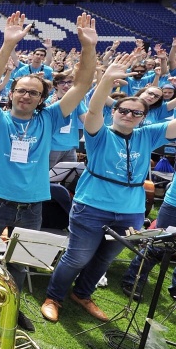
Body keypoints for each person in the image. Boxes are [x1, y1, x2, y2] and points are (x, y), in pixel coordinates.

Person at [0, 11, 97, 332]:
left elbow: (82, 84)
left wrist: (88, 47)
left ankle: (10, 309)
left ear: (42, 99)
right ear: (11, 93)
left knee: (20, 265)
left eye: (34, 92)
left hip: (32, 206)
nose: (26, 95)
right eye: (21, 90)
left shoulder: (50, 118)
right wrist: (8, 44)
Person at [41, 54, 176, 323]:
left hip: (131, 212)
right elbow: (93, 110)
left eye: (137, 113)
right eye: (123, 110)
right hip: (92, 206)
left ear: (143, 117)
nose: (129, 115)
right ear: (113, 112)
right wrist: (105, 79)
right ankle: (54, 297)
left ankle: (83, 294)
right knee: (77, 257)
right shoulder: (100, 133)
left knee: (104, 260)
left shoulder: (147, 134)